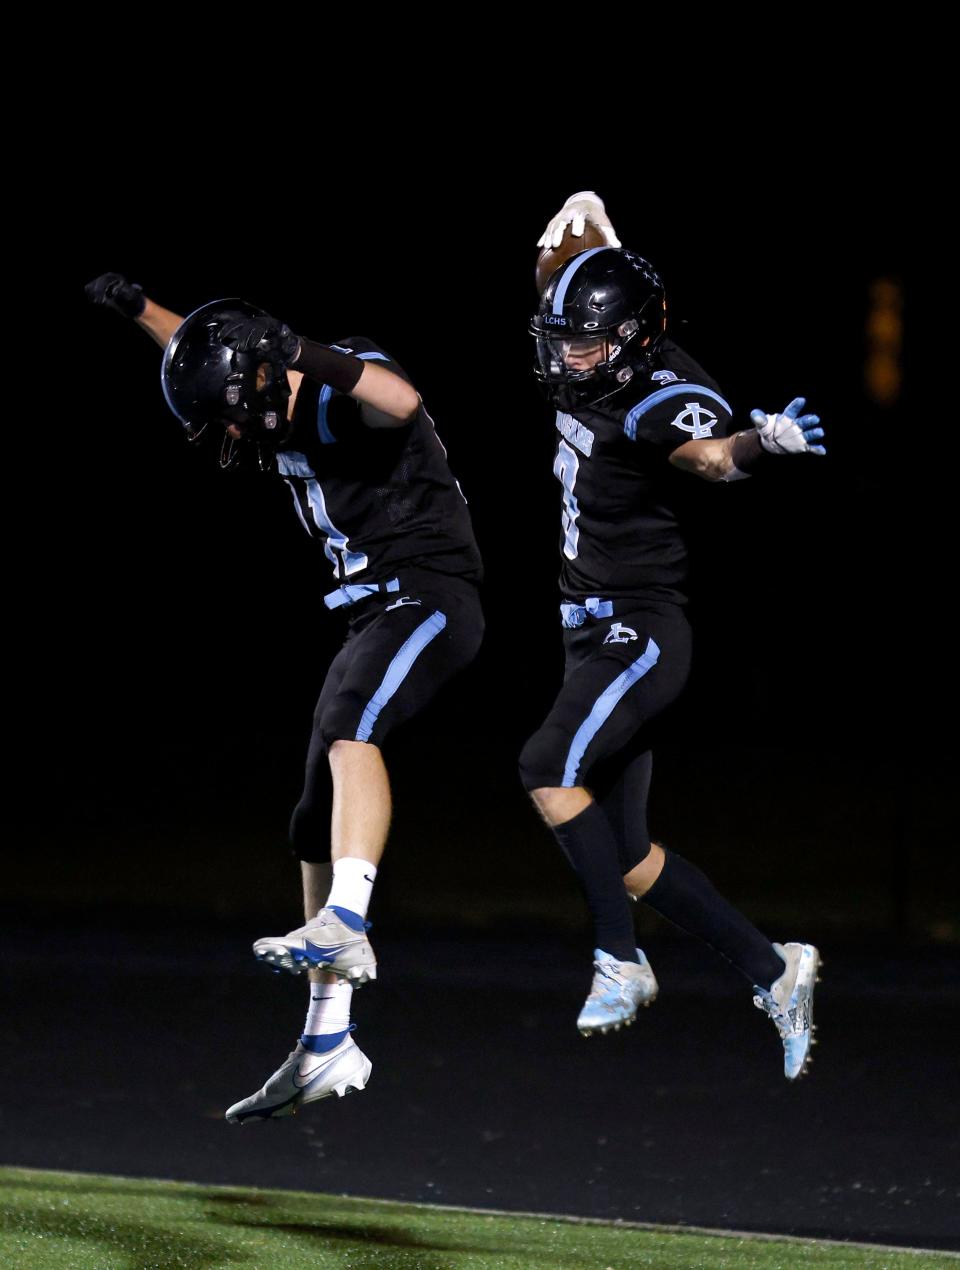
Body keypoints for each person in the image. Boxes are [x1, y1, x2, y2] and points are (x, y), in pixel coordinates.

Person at [85, 275, 484, 1118]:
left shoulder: (334, 390)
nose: (229, 433)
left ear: (265, 376)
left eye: (229, 411)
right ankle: (327, 1037)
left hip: (428, 595)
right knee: (311, 819)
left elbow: (401, 400)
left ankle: (348, 916)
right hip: (370, 614)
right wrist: (140, 312)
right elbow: (207, 345)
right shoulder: (257, 376)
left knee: (351, 729)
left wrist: (294, 349)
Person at [520, 193, 824, 1079]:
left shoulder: (661, 391)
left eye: (581, 339)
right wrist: (584, 212)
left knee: (545, 767)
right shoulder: (596, 340)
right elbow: (572, 276)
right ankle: (778, 971)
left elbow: (712, 456)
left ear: (629, 339)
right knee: (628, 854)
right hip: (587, 630)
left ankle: (621, 960)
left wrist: (763, 442)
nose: (564, 354)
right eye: (559, 335)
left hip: (638, 628)